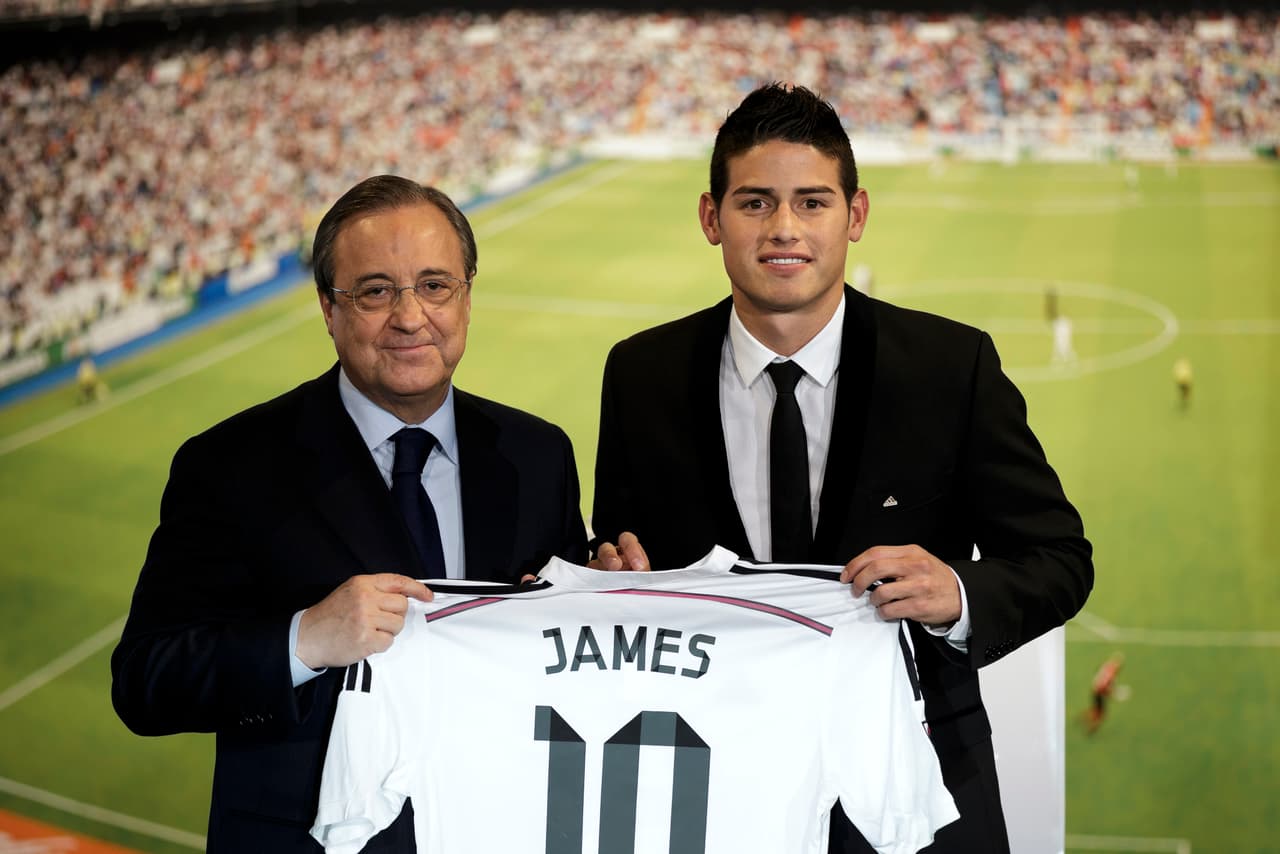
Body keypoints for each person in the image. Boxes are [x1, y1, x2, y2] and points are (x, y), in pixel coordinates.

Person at [591, 83, 1094, 853]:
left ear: (854, 216)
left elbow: (1060, 559)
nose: (783, 229)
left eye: (812, 203)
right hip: (712, 783)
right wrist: (610, 570)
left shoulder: (950, 367)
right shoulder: (640, 374)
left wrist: (956, 592)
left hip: (917, 782)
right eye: (755, 202)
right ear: (710, 217)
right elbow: (618, 551)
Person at [111, 175, 588, 852]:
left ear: (467, 296)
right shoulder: (231, 463)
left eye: (434, 285)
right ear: (329, 309)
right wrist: (304, 640)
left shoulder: (538, 455)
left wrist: (604, 588)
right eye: (375, 291)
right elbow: (146, 682)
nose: (409, 316)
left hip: (496, 828)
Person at [1085, 651, 1125, 735]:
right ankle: (1091, 731)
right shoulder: (1111, 676)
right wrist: (1114, 695)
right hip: (1098, 692)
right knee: (1101, 714)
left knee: (1096, 711)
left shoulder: (1108, 666)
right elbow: (1104, 688)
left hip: (1095, 689)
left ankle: (1083, 720)